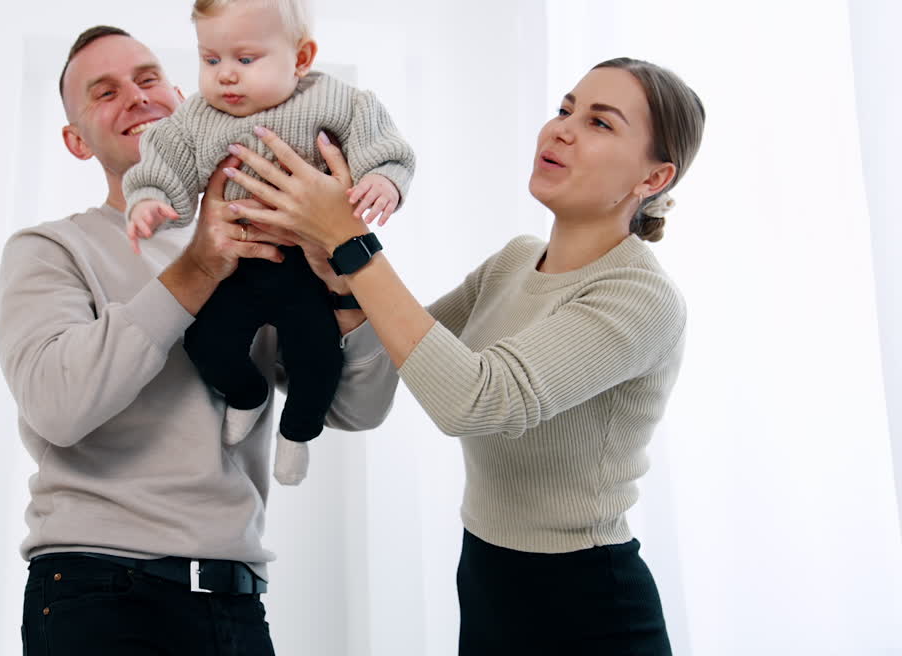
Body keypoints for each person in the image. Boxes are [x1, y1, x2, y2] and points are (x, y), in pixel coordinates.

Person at [225, 57, 705, 654]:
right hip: (486, 581)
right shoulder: (514, 261)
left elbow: (479, 400)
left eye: (600, 123)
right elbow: (396, 357)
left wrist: (352, 244)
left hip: (586, 604)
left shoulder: (640, 295)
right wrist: (340, 280)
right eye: (565, 109)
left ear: (653, 179)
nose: (561, 129)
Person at [0, 25, 397, 656]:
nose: (135, 96)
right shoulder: (51, 250)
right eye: (104, 92)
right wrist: (199, 266)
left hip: (234, 600)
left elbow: (358, 409)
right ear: (76, 142)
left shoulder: (272, 239)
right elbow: (56, 407)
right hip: (98, 591)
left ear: (185, 101)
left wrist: (343, 282)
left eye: (148, 78)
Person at [123, 0, 415, 485]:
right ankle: (247, 393)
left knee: (318, 359)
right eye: (210, 60)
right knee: (205, 343)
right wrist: (149, 200)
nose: (225, 75)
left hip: (309, 267)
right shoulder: (197, 117)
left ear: (301, 57)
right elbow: (165, 160)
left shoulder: (339, 101)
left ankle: (298, 433)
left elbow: (384, 145)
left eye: (245, 58)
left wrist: (384, 179)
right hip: (239, 263)